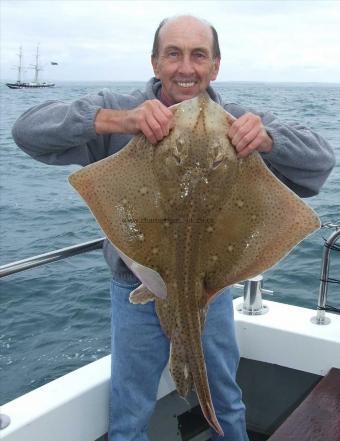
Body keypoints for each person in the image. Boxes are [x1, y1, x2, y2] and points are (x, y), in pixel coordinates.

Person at [12, 15, 335, 441]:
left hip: (210, 289)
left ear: (215, 66)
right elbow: (26, 130)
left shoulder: (237, 120)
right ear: (155, 62)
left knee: (223, 397)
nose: (186, 67)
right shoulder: (120, 107)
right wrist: (116, 121)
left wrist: (269, 138)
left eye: (198, 55)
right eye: (174, 54)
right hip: (135, 286)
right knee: (130, 408)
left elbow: (321, 160)